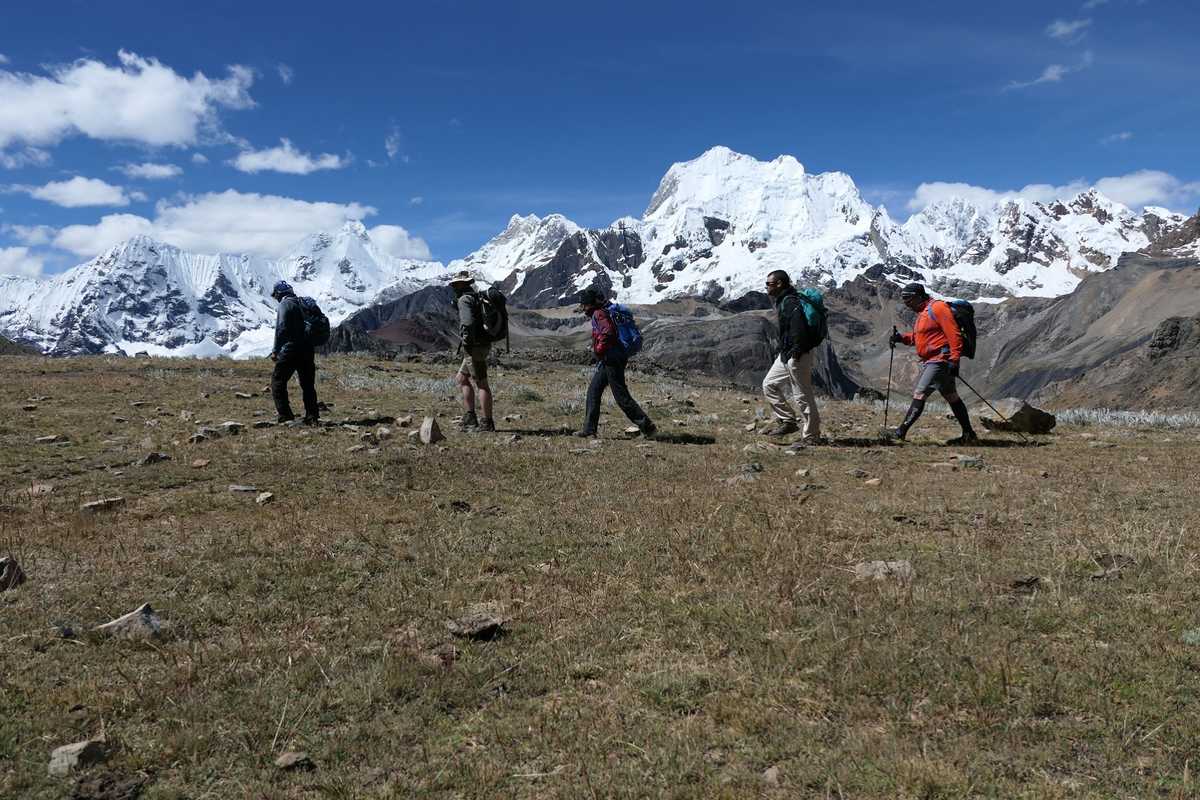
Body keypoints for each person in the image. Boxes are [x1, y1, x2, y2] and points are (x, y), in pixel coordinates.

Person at [887, 282, 978, 444]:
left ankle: (900, 433)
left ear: (918, 296)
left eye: (908, 299)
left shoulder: (938, 308)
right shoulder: (923, 313)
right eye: (904, 299)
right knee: (952, 396)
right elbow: (920, 338)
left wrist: (954, 360)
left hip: (940, 360)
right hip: (935, 360)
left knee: (920, 393)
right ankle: (969, 434)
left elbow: (954, 333)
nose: (906, 303)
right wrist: (901, 338)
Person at [574, 288, 656, 439]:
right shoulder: (604, 311)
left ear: (590, 304)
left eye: (584, 305)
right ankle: (589, 429)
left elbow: (608, 332)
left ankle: (647, 426)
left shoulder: (599, 314)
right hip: (611, 359)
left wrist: (599, 350)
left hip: (612, 359)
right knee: (594, 391)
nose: (583, 309)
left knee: (621, 397)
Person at [760, 270, 822, 443]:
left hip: (797, 354)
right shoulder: (784, 300)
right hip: (787, 353)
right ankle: (788, 421)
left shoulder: (790, 302)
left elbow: (798, 327)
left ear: (779, 284)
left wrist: (796, 352)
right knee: (769, 384)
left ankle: (811, 436)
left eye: (769, 284)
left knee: (802, 395)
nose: (766, 287)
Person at [449, 271, 495, 433]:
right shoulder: (476, 297)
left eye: (456, 284)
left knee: (481, 383)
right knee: (461, 378)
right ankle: (470, 417)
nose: (454, 287)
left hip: (474, 346)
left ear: (463, 284)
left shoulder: (464, 299)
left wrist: (467, 339)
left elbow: (467, 322)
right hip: (482, 344)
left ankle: (487, 422)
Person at [269, 280, 319, 425]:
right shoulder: (302, 303)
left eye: (275, 295)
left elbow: (281, 328)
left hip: (291, 348)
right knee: (307, 384)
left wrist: (275, 350)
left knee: (278, 381)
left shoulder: (285, 304)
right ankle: (312, 415)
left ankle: (285, 415)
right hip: (308, 348)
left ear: (279, 293)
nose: (275, 298)